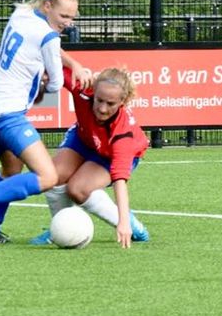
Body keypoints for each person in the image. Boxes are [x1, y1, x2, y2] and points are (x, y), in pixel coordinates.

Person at [0, 0, 92, 245]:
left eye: (72, 17)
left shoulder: (20, 13)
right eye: (64, 16)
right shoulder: (49, 37)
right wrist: (52, 77)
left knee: (11, 169)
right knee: (47, 176)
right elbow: (53, 84)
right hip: (7, 114)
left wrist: (71, 63)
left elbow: (44, 47)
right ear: (48, 5)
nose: (69, 22)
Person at [28, 66, 151, 249]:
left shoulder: (123, 133)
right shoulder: (84, 89)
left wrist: (123, 223)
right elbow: (55, 61)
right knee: (51, 176)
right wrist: (48, 70)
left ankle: (133, 224)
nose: (102, 109)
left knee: (77, 189)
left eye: (110, 104)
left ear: (122, 102)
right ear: (93, 91)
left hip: (109, 154)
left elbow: (119, 179)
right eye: (99, 100)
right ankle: (60, 228)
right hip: (84, 139)